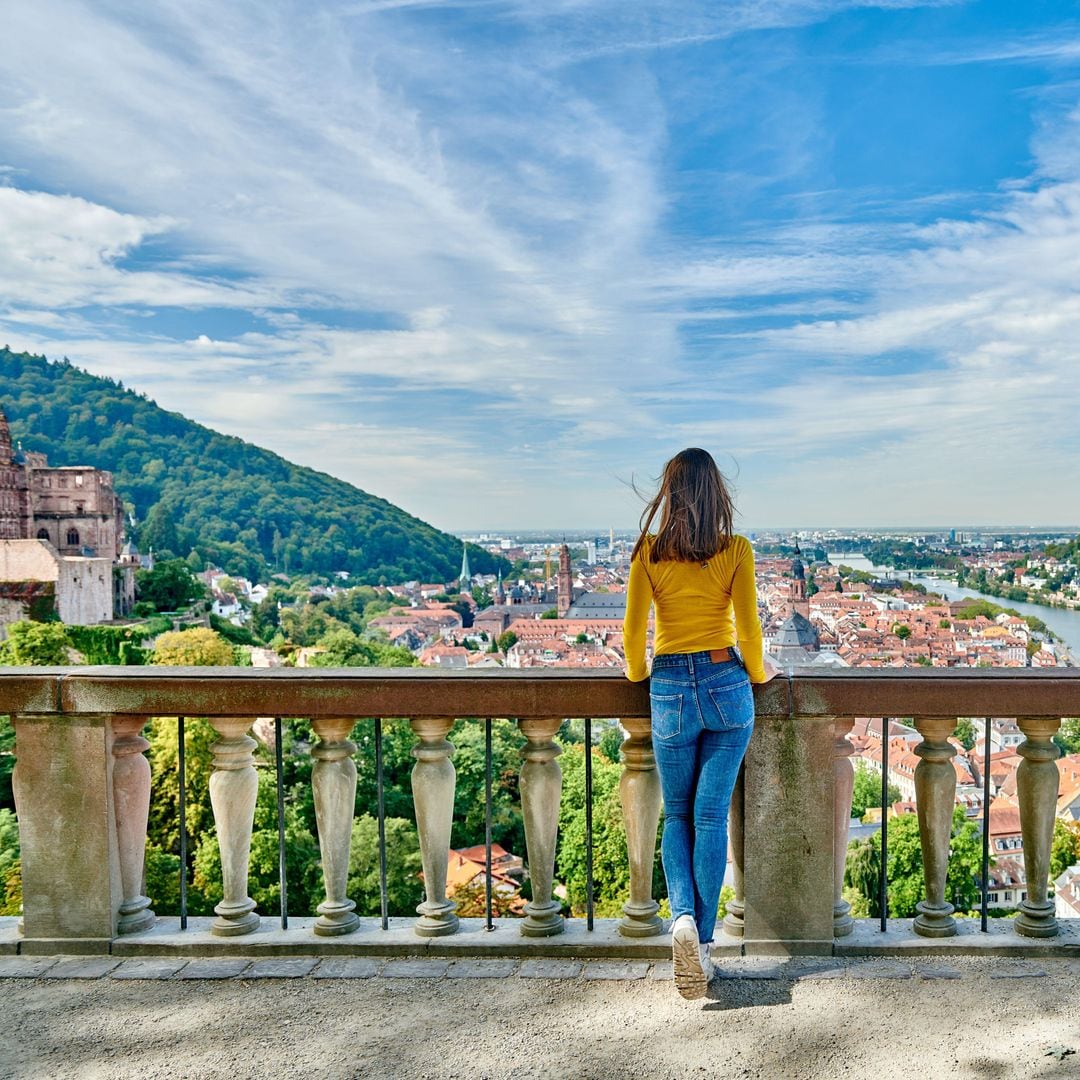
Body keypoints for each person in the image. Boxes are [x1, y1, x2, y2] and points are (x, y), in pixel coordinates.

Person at [623, 447, 778, 1000]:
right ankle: (704, 949)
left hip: (669, 691)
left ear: (669, 493)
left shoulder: (647, 553)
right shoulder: (735, 549)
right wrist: (759, 673)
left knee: (679, 815)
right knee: (711, 818)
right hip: (726, 685)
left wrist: (645, 673)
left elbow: (633, 642)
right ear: (719, 494)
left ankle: (682, 920)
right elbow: (750, 632)